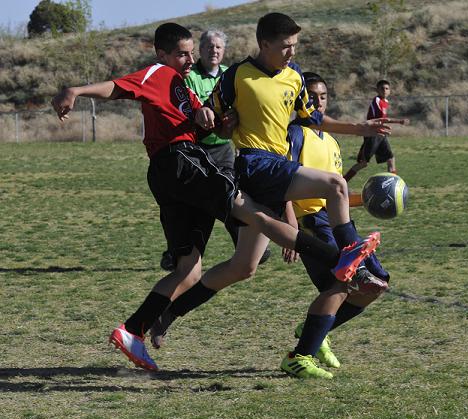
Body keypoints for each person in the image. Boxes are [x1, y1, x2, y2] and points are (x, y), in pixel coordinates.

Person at [51, 22, 380, 372]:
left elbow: (215, 125)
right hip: (182, 163)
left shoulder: (185, 89)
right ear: (161, 54)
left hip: (170, 176)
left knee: (189, 270)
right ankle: (339, 259)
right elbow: (117, 88)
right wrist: (76, 89)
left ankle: (134, 330)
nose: (189, 59)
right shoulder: (160, 73)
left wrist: (219, 122)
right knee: (256, 214)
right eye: (182, 53)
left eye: (191, 52)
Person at [144, 13, 392, 370]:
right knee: (335, 184)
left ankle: (168, 314)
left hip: (274, 170)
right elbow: (209, 114)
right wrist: (216, 121)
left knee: (243, 267)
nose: (291, 52)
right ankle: (350, 251)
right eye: (285, 46)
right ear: (264, 45)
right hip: (254, 164)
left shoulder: (294, 78)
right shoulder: (238, 76)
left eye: (295, 46)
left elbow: (313, 120)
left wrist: (359, 128)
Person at [280, 71, 391, 379]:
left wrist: (369, 201)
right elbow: (281, 183)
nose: (318, 102)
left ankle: (316, 328)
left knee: (375, 283)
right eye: (311, 97)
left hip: (339, 224)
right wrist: (290, 225)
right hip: (312, 221)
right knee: (340, 284)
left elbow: (337, 192)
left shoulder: (330, 140)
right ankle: (300, 355)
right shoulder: (295, 133)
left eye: (323, 96)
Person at [158, 28, 270, 272]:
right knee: (189, 203)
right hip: (194, 150)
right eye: (209, 46)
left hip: (223, 149)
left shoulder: (230, 75)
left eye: (218, 47)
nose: (214, 51)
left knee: (232, 195)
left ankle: (245, 245)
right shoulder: (189, 75)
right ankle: (175, 250)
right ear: (201, 49)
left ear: (224, 51)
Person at [343, 79, 410, 182]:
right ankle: (343, 181)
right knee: (363, 163)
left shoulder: (385, 102)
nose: (385, 90)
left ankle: (392, 184)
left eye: (387, 88)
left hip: (381, 134)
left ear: (390, 91)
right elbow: (381, 119)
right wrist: (399, 121)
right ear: (377, 90)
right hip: (372, 134)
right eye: (382, 88)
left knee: (390, 159)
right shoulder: (377, 101)